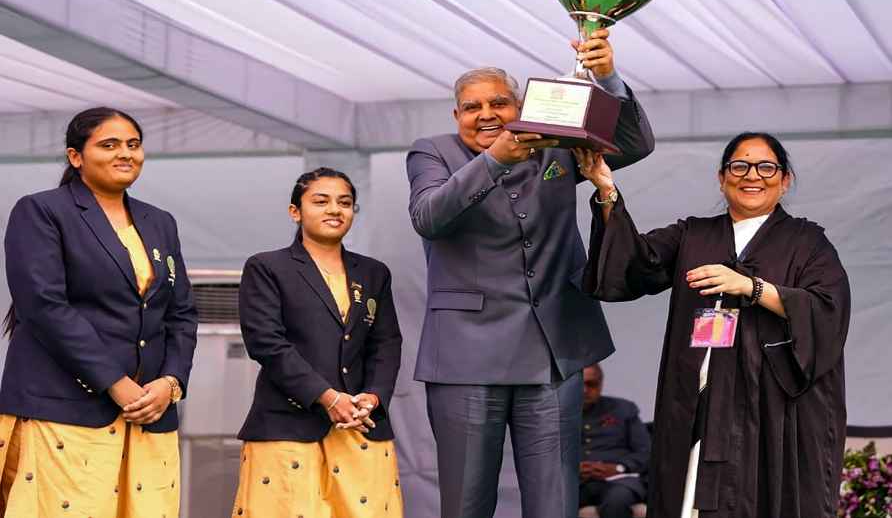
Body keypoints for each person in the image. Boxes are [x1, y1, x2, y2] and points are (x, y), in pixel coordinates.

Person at [406, 29, 655, 518]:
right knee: (466, 502)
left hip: (552, 349)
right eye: (472, 107)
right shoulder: (430, 151)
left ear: (521, 106)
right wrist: (495, 158)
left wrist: (607, 75)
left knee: (554, 502)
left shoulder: (555, 141)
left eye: (499, 102)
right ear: (457, 116)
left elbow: (634, 144)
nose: (487, 114)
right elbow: (429, 216)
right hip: (466, 355)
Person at [577, 132, 850, 518]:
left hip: (769, 406)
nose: (751, 175)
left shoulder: (807, 242)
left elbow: (828, 309)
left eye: (766, 166)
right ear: (722, 178)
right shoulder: (693, 234)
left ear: (785, 179)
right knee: (689, 498)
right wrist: (607, 190)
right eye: (739, 166)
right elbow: (636, 264)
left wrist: (753, 288)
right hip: (696, 400)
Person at [0, 107, 198, 517]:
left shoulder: (159, 222)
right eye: (109, 145)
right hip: (65, 409)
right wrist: (115, 382)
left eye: (133, 144)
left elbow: (181, 314)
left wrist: (171, 383)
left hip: (148, 413)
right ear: (76, 156)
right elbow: (44, 307)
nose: (125, 154)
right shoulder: (42, 211)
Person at [233, 167, 403, 517]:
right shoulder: (267, 267)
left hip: (361, 425)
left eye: (345, 202)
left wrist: (372, 398)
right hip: (288, 426)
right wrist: (327, 397)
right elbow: (267, 343)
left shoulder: (373, 273)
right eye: (321, 201)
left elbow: (386, 343)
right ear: (295, 211)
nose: (334, 210)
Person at [578, 364, 649, 518]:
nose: (584, 390)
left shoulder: (623, 409)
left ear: (601, 384)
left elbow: (645, 452)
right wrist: (572, 469)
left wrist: (619, 467)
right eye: (579, 384)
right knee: (556, 503)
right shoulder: (557, 413)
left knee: (616, 501)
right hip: (577, 483)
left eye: (591, 384)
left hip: (620, 481)